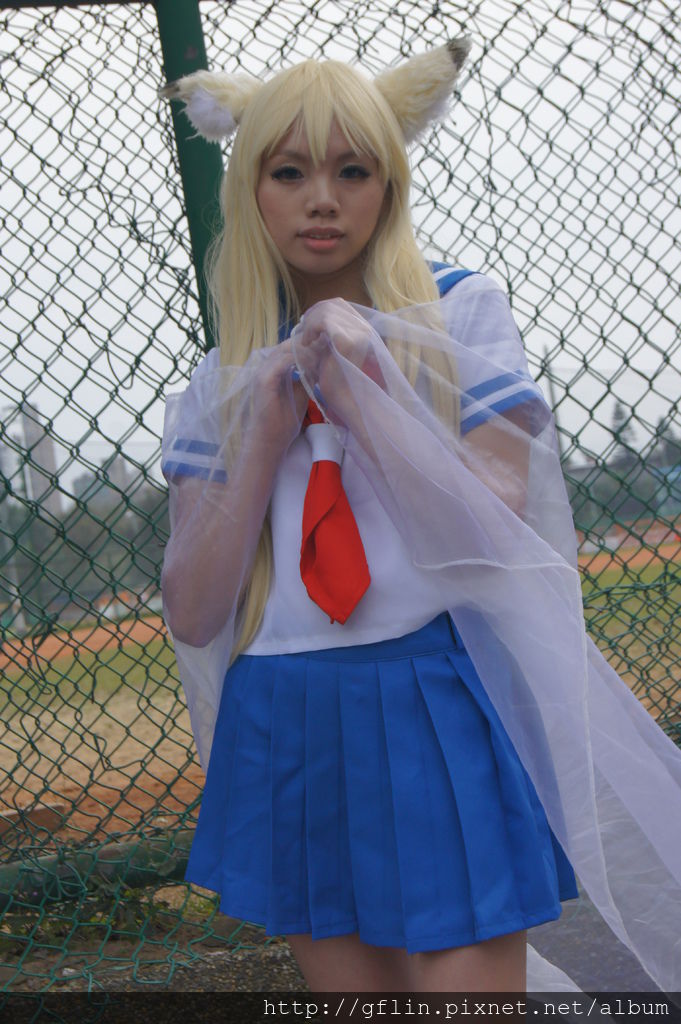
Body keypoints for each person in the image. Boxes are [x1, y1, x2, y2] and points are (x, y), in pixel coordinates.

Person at [159, 42, 681, 995]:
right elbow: (193, 612)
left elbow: (488, 538)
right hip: (284, 713)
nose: (322, 200)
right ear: (251, 190)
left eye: (353, 171)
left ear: (389, 186)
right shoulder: (220, 376)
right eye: (289, 172)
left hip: (434, 690)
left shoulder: (458, 312)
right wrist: (265, 427)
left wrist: (365, 390)